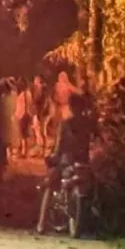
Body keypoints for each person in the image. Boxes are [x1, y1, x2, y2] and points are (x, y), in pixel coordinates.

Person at [37, 93, 96, 233]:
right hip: (84, 162)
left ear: (71, 107)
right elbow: (97, 140)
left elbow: (59, 147)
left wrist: (53, 157)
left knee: (49, 185)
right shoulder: (89, 123)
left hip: (67, 161)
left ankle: (41, 223)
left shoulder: (65, 124)